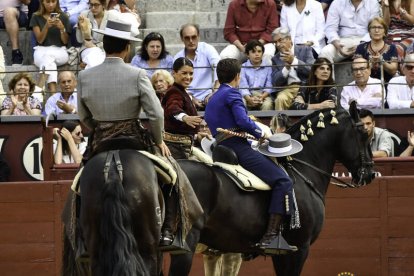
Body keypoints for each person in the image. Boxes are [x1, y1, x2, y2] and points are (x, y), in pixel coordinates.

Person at [77, 19, 202, 249]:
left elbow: (83, 116)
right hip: (133, 139)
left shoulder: (84, 77)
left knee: (78, 185)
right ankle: (167, 231)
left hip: (100, 142)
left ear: (104, 45)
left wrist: (99, 127)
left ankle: (80, 237)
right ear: (127, 49)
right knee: (173, 176)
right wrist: (158, 140)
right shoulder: (137, 74)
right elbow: (155, 113)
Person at [204, 58, 300, 252]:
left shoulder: (213, 97)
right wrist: (260, 134)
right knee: (283, 181)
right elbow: (242, 120)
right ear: (238, 76)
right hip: (238, 147)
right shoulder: (232, 93)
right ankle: (270, 236)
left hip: (220, 147)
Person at [162, 57, 210, 159]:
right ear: (174, 73)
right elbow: (172, 109)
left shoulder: (182, 91)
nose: (188, 77)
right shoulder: (174, 91)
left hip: (183, 146)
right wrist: (185, 118)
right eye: (184, 73)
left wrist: (197, 135)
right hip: (175, 148)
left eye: (191, 73)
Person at [174, 23, 221, 110]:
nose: (191, 41)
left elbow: (219, 67)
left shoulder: (207, 49)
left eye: (194, 37)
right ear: (182, 39)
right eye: (187, 38)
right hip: (186, 97)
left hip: (209, 94)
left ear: (198, 36)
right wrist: (190, 98)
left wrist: (215, 91)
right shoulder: (178, 57)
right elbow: (176, 83)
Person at [30, 0, 71, 94]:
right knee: (49, 61)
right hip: (41, 50)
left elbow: (65, 41)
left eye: (53, 1)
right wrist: (46, 26)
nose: (51, 5)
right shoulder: (36, 16)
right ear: (42, 2)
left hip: (60, 50)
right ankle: (53, 94)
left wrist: (61, 29)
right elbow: (39, 40)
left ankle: (39, 89)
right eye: (47, 2)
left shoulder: (63, 16)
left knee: (48, 57)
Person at [271, 27, 315, 110]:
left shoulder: (305, 50)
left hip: (306, 86)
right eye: (275, 42)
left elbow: (312, 70)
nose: (277, 44)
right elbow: (275, 82)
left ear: (289, 39)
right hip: (288, 89)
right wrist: (286, 68)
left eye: (280, 40)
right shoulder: (275, 59)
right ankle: (279, 122)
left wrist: (293, 61)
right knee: (280, 99)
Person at [354, 17, 398, 87]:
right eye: (373, 27)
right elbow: (356, 68)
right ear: (369, 31)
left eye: (380, 27)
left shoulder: (391, 47)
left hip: (387, 85)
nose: (376, 30)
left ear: (384, 32)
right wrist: (370, 63)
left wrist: (382, 61)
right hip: (365, 86)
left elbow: (393, 70)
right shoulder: (361, 47)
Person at [239, 40, 274, 110]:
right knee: (241, 102)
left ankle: (263, 121)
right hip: (248, 95)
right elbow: (243, 86)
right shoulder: (243, 67)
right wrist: (249, 99)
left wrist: (261, 97)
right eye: (253, 52)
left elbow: (269, 85)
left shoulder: (268, 66)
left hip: (263, 95)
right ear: (247, 54)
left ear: (262, 53)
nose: (257, 54)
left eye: (259, 51)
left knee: (267, 105)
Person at [75, 0, 109, 69]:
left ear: (103, 5)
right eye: (91, 5)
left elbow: (112, 40)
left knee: (96, 57)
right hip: (87, 48)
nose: (93, 8)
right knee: (94, 53)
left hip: (106, 49)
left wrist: (95, 46)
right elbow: (79, 40)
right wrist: (79, 27)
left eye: (96, 5)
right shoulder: (84, 15)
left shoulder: (111, 17)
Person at [0, 0, 30, 65]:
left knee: (8, 11)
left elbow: (28, 2)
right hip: (1, 18)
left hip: (17, 15)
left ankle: (16, 53)